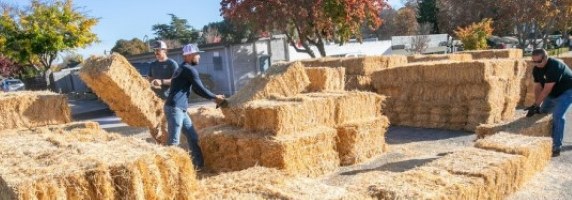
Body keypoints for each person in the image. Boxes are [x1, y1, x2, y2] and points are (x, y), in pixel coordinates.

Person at [162, 43, 225, 169]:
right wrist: (215, 98)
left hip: (179, 109)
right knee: (173, 142)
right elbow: (200, 89)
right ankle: (168, 171)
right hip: (175, 108)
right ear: (189, 55)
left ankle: (199, 166)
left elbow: (196, 90)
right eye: (197, 54)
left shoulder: (182, 68)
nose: (199, 57)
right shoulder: (189, 70)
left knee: (193, 137)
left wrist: (212, 97)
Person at [526, 48, 572, 157]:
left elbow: (546, 89)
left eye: (539, 61)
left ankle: (556, 146)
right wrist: (537, 106)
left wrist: (536, 104)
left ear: (546, 58)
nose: (537, 64)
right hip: (553, 93)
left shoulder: (554, 66)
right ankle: (545, 141)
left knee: (558, 115)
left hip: (567, 91)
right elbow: (538, 87)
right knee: (542, 114)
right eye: (534, 61)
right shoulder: (536, 69)